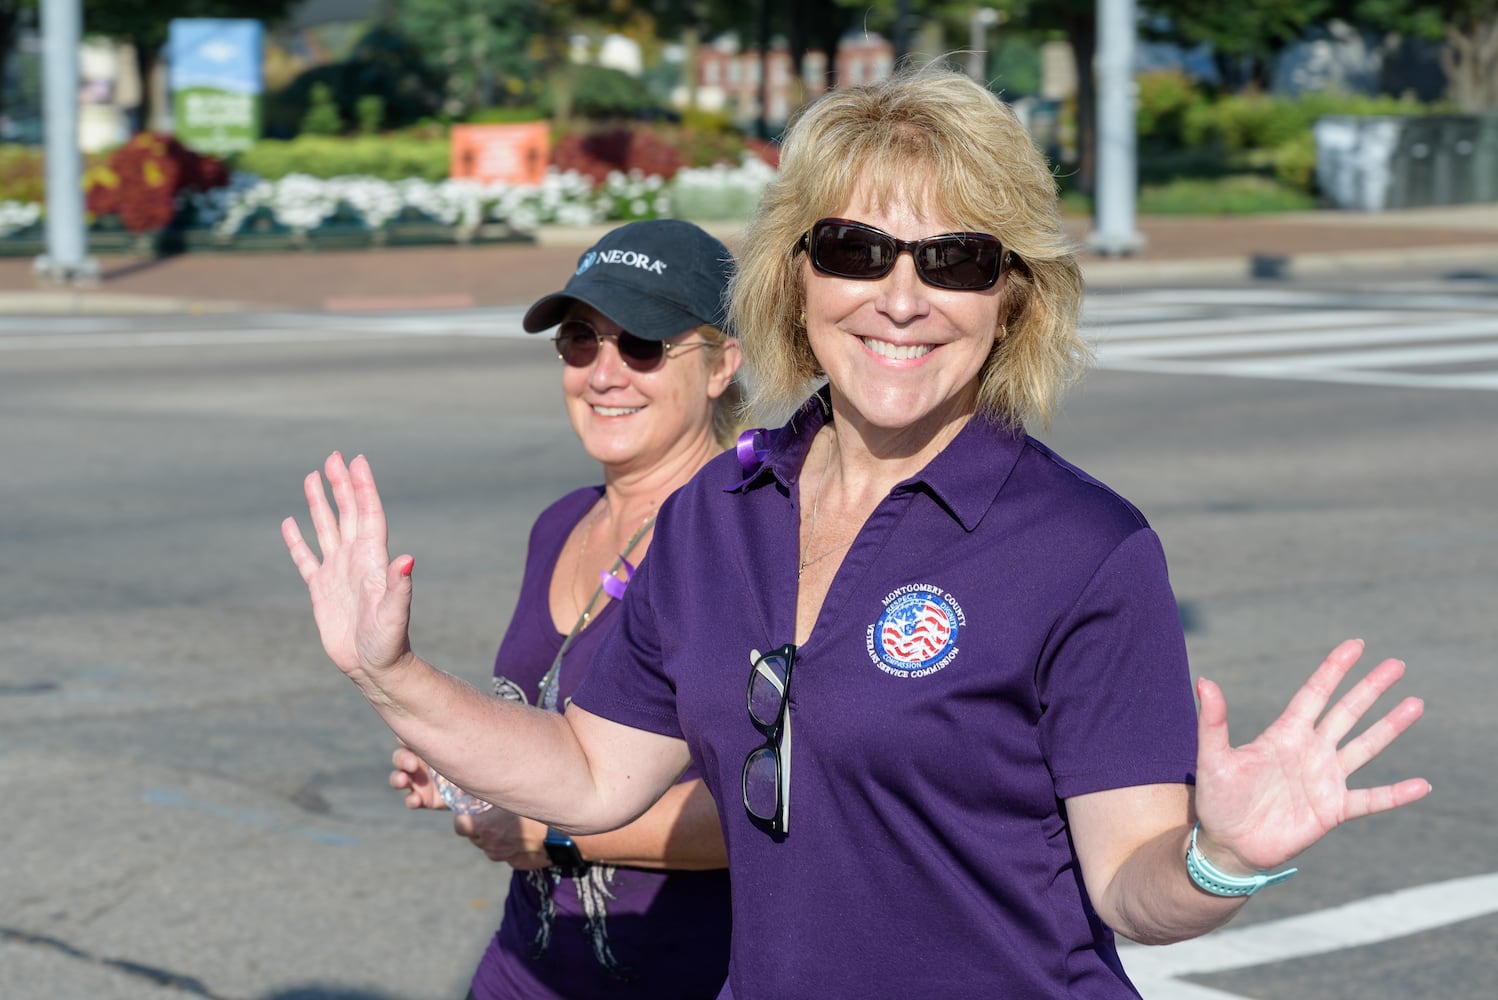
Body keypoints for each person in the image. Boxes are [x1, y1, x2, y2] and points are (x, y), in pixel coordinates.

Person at [284, 69, 1430, 999]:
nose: (900, 295)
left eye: (956, 259)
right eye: (855, 249)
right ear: (795, 275)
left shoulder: (1084, 545)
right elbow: (589, 774)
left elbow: (1134, 890)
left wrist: (1221, 860)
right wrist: (386, 674)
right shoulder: (715, 516)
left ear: (1012, 297)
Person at [377, 219, 741, 998]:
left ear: (721, 366)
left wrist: (550, 835)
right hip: (525, 969)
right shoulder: (562, 522)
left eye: (643, 344)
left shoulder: (744, 536)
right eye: (580, 341)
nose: (605, 373)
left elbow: (767, 803)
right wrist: (466, 756)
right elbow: (557, 717)